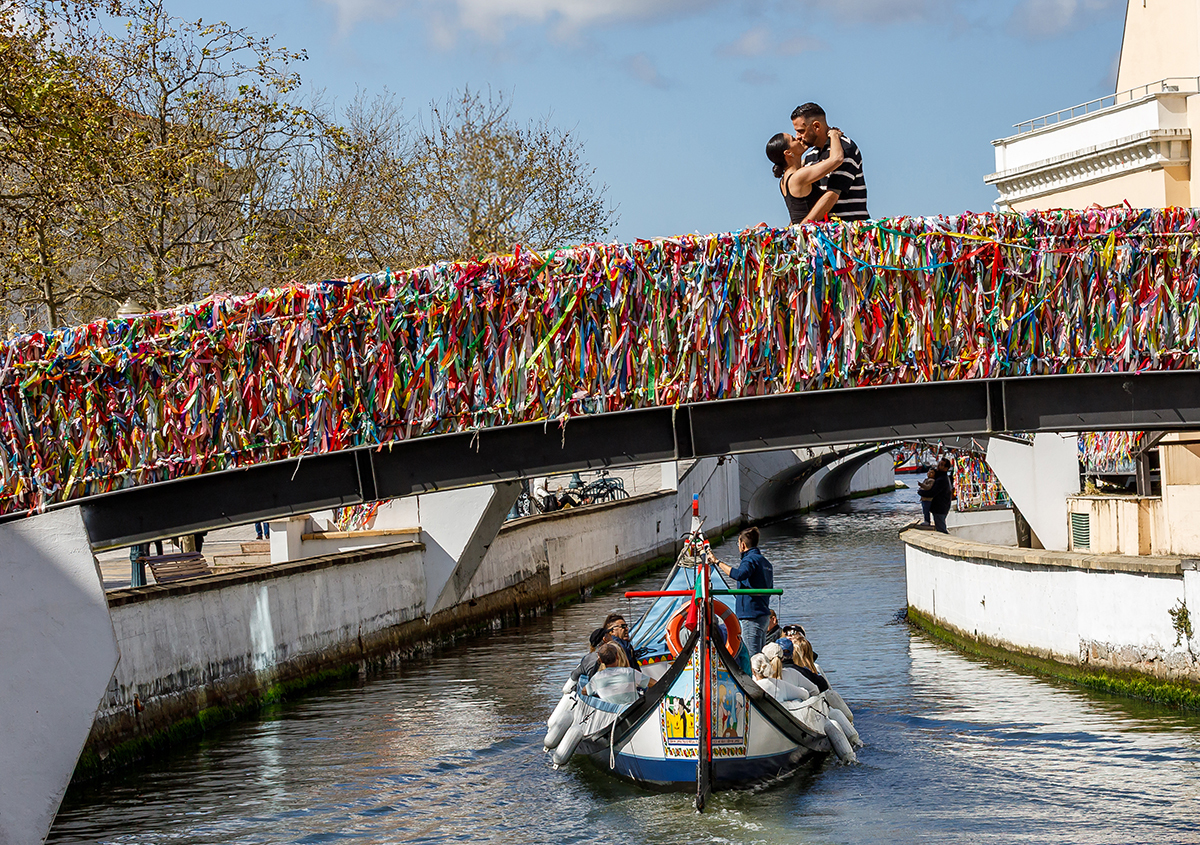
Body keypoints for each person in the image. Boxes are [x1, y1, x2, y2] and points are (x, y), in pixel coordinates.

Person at [791, 102, 869, 223]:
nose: (797, 137)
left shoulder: (844, 148)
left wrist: (802, 230)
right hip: (820, 234)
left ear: (816, 127)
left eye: (801, 131)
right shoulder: (810, 156)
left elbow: (832, 196)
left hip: (846, 233)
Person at [710, 527, 774, 657]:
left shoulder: (749, 560)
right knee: (760, 655)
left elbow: (739, 574)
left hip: (751, 615)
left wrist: (717, 562)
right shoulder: (765, 562)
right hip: (763, 614)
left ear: (742, 545)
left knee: (753, 657)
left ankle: (753, 678)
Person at [764, 127, 845, 225]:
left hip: (801, 236)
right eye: (793, 139)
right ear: (788, 153)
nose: (798, 138)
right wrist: (834, 135)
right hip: (811, 236)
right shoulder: (798, 177)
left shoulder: (784, 180)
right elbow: (837, 159)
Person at [928, 458, 955, 534]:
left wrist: (921, 492)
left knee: (941, 528)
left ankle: (949, 541)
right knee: (939, 525)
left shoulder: (942, 479)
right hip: (942, 506)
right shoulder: (942, 477)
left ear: (946, 468)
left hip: (940, 506)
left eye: (941, 465)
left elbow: (933, 492)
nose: (939, 466)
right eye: (939, 464)